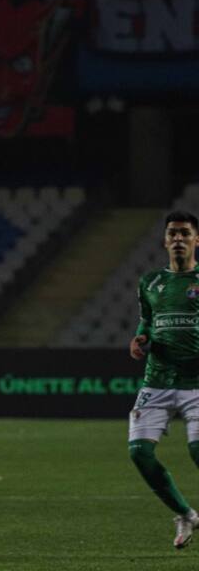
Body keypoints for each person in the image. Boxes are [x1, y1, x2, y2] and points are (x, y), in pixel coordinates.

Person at [129, 210, 199, 549]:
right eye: (172, 233)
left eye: (185, 233)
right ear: (164, 240)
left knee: (198, 450)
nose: (178, 239)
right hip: (156, 380)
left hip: (197, 383)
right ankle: (186, 514)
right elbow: (146, 324)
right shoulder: (150, 282)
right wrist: (140, 339)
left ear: (196, 240)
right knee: (139, 453)